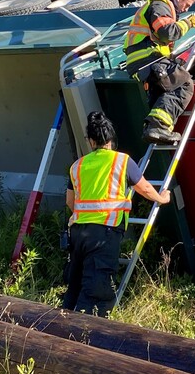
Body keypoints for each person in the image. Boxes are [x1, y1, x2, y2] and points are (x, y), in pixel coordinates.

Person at [63, 110, 171, 315]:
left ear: (91, 141)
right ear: (111, 139)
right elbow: (145, 189)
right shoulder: (122, 161)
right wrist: (162, 198)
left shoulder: (77, 165)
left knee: (75, 285)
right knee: (97, 289)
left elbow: (70, 201)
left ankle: (61, 325)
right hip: (104, 233)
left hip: (77, 233)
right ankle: (86, 333)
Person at [121, 0, 195, 145]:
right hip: (147, 58)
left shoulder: (163, 8)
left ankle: (153, 129)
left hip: (145, 60)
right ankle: (159, 126)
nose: (186, 9)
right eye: (187, 5)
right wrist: (188, 23)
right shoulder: (161, 4)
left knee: (165, 91)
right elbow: (167, 32)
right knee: (184, 83)